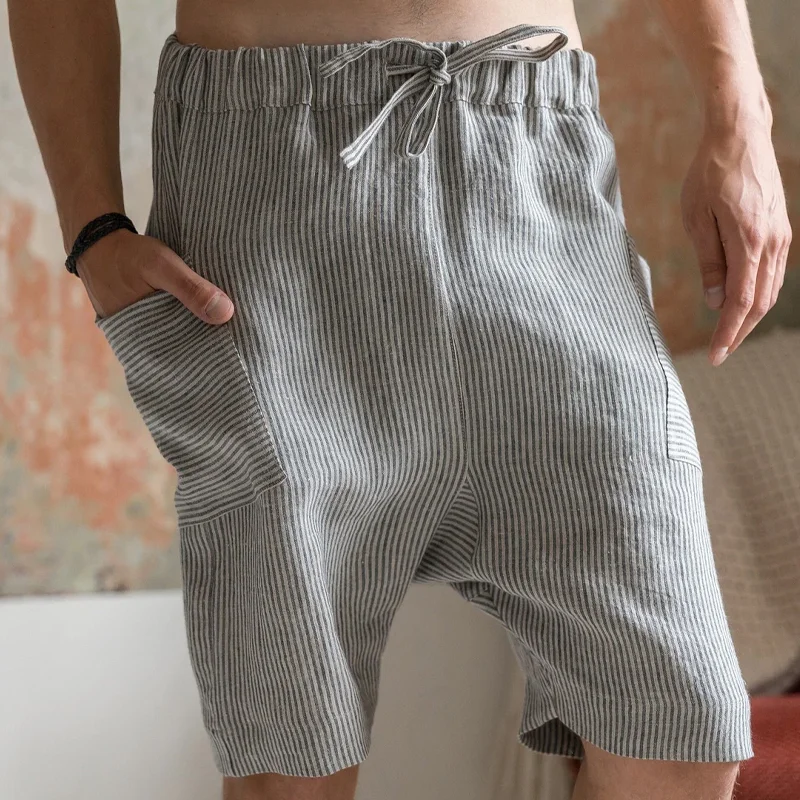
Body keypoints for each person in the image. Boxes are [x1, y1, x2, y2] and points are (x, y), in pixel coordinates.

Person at [8, 0, 791, 798]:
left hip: (535, 169)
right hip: (274, 201)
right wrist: (91, 230)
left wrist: (742, 114)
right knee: (292, 765)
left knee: (679, 740)